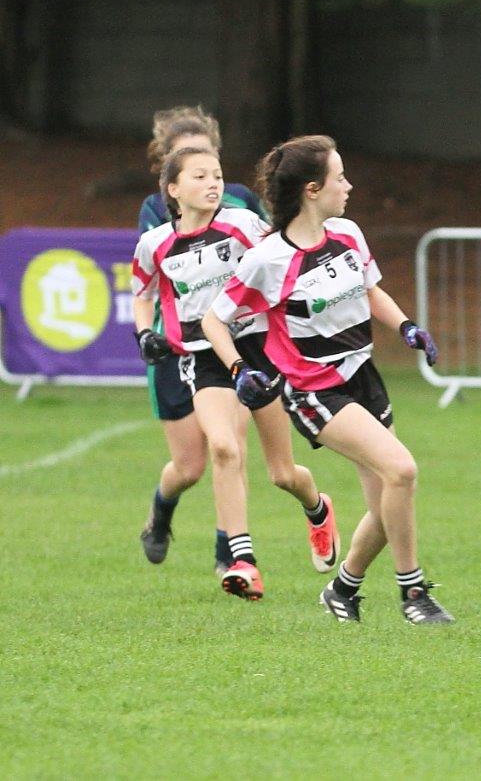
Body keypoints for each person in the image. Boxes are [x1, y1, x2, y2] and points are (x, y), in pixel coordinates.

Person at [204, 135, 453, 626]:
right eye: (340, 177)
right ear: (313, 190)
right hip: (315, 391)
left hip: (364, 377)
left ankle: (342, 589)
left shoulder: (348, 234)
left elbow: (371, 289)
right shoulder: (267, 259)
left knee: (386, 508)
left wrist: (406, 326)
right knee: (401, 470)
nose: (349, 185)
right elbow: (215, 320)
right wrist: (238, 370)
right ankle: (413, 594)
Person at [132, 146, 340, 600]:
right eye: (200, 176)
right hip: (204, 358)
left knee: (283, 474)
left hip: (259, 350)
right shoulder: (155, 244)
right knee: (224, 448)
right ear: (173, 189)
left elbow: (282, 257)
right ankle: (242, 560)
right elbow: (142, 291)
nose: (214, 183)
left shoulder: (242, 224)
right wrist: (144, 333)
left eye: (218, 175)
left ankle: (318, 507)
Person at [137, 105, 267, 575]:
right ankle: (160, 513)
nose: (207, 180)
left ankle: (230, 552)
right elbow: (149, 281)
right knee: (189, 466)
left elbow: (273, 254)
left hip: (234, 341)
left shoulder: (242, 204)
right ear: (169, 173)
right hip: (177, 346)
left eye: (211, 164)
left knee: (231, 443)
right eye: (190, 165)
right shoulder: (155, 214)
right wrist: (146, 333)